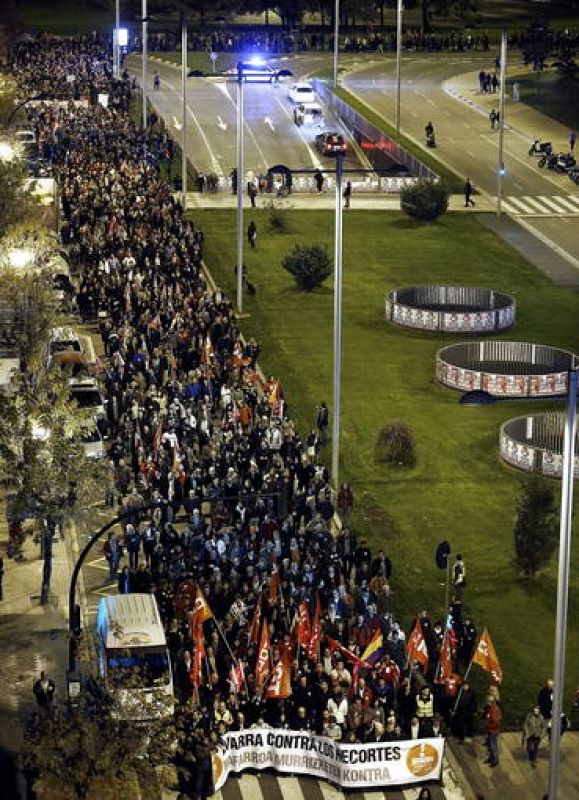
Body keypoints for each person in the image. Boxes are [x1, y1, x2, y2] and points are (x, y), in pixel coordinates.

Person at [483, 694, 501, 767]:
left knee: (493, 746)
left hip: (493, 731)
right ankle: (491, 758)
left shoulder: (493, 709)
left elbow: (496, 722)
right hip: (490, 730)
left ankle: (495, 760)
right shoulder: (491, 708)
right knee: (490, 746)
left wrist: (487, 725)